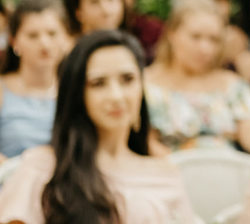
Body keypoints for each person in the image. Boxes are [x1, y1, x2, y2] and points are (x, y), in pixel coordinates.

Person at [0, 30, 195, 224]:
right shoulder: (44, 166)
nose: (116, 96)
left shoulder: (165, 173)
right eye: (98, 83)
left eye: (127, 79)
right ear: (77, 94)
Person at [143, 0, 250, 158]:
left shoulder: (232, 85)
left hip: (230, 173)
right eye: (196, 37)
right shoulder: (145, 83)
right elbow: (144, 143)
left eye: (213, 39)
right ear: (172, 34)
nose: (205, 49)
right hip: (167, 173)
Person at [1, 0, 71, 161]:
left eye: (52, 34)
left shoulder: (77, 89)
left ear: (66, 37)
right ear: (14, 42)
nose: (44, 44)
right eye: (33, 35)